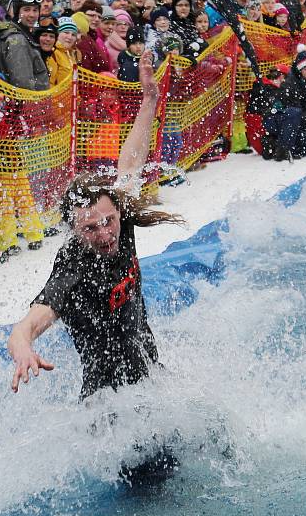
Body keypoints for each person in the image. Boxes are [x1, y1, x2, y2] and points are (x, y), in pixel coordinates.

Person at [9, 50, 183, 400]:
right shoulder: (73, 267)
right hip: (108, 399)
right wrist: (23, 349)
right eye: (91, 229)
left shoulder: (121, 213)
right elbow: (29, 324)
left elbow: (131, 160)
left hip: (150, 370)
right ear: (74, 230)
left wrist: (149, 100)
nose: (105, 234)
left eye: (108, 222)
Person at [0, 0, 51, 91]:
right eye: (26, 9)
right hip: (30, 102)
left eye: (35, 10)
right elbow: (23, 84)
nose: (32, 15)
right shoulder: (17, 40)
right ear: (17, 12)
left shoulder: (20, 34)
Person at [47, 16, 80, 85]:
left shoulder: (72, 54)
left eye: (73, 35)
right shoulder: (52, 53)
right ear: (57, 34)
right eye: (66, 32)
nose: (70, 37)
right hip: (57, 95)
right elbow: (49, 83)